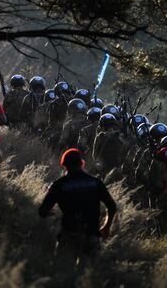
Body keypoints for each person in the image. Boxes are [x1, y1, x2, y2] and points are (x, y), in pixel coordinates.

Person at [38, 148, 117, 283]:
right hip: (91, 236)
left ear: (64, 165)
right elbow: (112, 206)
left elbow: (42, 211)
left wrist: (51, 213)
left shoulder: (59, 185)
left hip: (69, 235)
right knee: (89, 279)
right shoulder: (95, 182)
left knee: (62, 276)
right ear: (82, 163)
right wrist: (106, 227)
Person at [93, 113, 129, 178]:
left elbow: (94, 155)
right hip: (119, 169)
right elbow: (126, 150)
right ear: (114, 124)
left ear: (102, 126)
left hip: (105, 170)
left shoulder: (99, 137)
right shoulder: (120, 136)